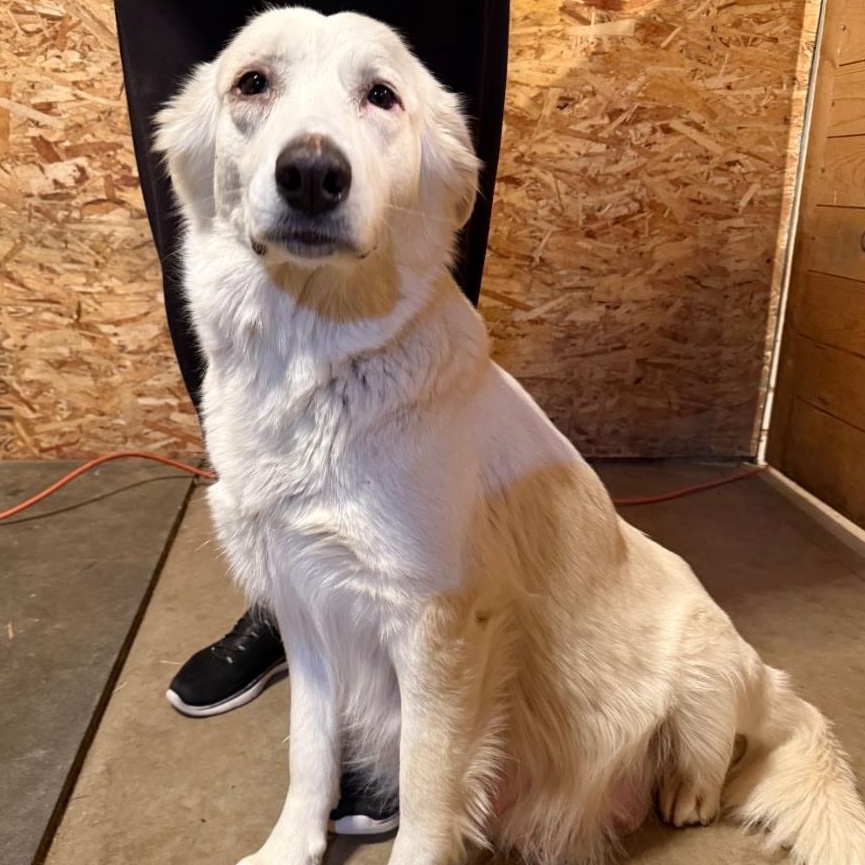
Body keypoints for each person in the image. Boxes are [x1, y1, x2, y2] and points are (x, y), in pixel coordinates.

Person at [114, 0, 509, 836]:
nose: (312, 165)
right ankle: (308, 759)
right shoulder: (199, 152)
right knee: (297, 581)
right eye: (255, 85)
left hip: (406, 380)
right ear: (194, 159)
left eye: (378, 98)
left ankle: (406, 755)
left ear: (443, 179)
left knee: (420, 602)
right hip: (254, 377)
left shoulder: (432, 166)